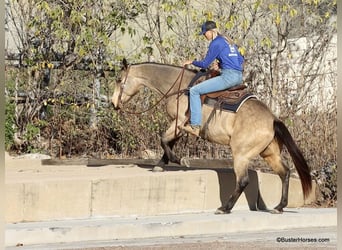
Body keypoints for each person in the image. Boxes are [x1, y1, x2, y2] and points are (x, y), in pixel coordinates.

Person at [179, 20, 244, 137]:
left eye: (204, 33)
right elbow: (240, 60)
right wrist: (221, 64)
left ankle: (195, 126)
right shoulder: (228, 41)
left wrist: (191, 62)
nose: (204, 35)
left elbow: (204, 64)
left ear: (210, 31)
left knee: (194, 91)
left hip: (228, 77)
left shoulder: (216, 43)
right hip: (239, 76)